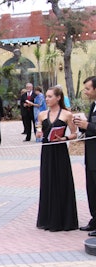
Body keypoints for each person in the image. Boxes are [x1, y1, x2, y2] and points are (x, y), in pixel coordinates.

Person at [35, 86, 78, 232]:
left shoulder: (66, 114)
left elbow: (74, 134)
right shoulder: (42, 114)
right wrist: (38, 133)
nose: (46, 99)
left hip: (60, 151)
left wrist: (64, 137)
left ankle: (64, 219)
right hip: (47, 151)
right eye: (46, 96)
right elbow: (39, 128)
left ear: (58, 98)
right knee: (48, 181)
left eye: (50, 96)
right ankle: (48, 218)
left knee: (62, 181)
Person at [74, 76, 96, 235]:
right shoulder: (93, 105)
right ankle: (94, 219)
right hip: (91, 157)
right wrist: (82, 126)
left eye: (88, 89)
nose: (86, 92)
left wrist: (87, 124)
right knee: (92, 190)